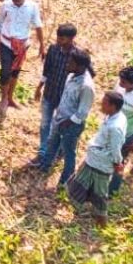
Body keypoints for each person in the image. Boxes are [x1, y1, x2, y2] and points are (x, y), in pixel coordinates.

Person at [34, 50, 95, 187]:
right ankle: (44, 166)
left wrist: (68, 121)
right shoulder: (71, 76)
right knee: (52, 143)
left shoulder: (86, 86)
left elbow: (83, 112)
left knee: (69, 153)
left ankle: (65, 181)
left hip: (71, 125)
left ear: (79, 66)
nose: (67, 64)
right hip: (60, 118)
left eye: (70, 62)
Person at [67, 90, 127, 226]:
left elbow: (115, 149)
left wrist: (118, 163)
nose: (101, 104)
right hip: (93, 160)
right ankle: (82, 209)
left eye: (104, 103)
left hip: (101, 164)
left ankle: (102, 222)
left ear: (113, 106)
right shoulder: (115, 116)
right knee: (78, 184)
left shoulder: (115, 127)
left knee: (100, 195)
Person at [34, 24, 84, 163]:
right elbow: (47, 69)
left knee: (59, 127)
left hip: (65, 99)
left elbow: (84, 77)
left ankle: (57, 151)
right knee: (45, 124)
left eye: (62, 39)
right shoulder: (53, 49)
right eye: (58, 37)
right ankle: (43, 151)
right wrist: (39, 87)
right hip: (50, 92)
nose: (58, 41)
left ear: (71, 39)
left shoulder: (78, 56)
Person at [0, 0, 44, 114]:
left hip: (22, 45)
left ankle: (10, 98)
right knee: (5, 71)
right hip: (6, 43)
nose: (17, 3)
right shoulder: (6, 5)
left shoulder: (32, 6)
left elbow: (38, 25)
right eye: (15, 1)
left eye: (19, 1)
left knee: (15, 72)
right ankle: (3, 99)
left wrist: (42, 45)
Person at [108, 66, 133, 195]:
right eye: (120, 80)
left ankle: (112, 191)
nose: (120, 84)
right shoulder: (118, 86)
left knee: (119, 162)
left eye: (124, 82)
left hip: (127, 135)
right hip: (110, 130)